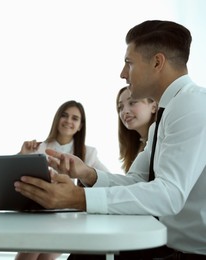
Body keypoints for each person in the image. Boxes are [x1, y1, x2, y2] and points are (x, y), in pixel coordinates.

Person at [14, 20, 206, 259]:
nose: (123, 73)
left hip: (190, 253)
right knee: (84, 253)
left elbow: (169, 195)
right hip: (168, 246)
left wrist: (79, 198)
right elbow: (139, 180)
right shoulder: (169, 113)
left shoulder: (192, 104)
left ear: (157, 62)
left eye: (129, 63)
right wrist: (88, 174)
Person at [16, 100, 108, 260]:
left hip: (70, 218)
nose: (68, 121)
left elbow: (107, 182)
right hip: (38, 216)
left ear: (80, 126)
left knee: (42, 254)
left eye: (75, 118)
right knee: (30, 252)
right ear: (57, 119)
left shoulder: (89, 153)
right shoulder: (38, 147)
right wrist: (22, 155)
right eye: (64, 116)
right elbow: (15, 179)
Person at [117, 86, 157, 172]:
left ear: (154, 107)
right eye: (120, 107)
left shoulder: (162, 142)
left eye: (132, 102)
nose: (124, 111)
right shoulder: (136, 146)